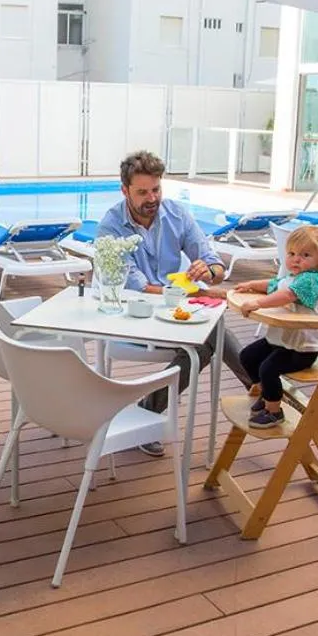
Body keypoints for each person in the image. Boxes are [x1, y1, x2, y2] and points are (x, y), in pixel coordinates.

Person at [96, 150, 248, 453]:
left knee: (207, 336)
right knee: (208, 336)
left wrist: (209, 271)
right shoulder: (110, 227)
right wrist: (192, 293)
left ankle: (148, 412)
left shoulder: (176, 214)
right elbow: (136, 287)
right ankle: (263, 386)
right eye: (142, 192)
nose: (152, 198)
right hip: (131, 316)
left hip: (172, 312)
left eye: (156, 189)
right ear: (124, 190)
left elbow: (214, 266)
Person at [218, 224, 318, 428]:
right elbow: (274, 284)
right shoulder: (293, 277)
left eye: (305, 255)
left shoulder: (310, 280)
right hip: (281, 341)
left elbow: (286, 294)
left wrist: (258, 303)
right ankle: (268, 394)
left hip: (301, 348)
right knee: (247, 356)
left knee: (268, 368)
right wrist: (251, 284)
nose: (296, 259)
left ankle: (274, 412)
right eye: (292, 253)